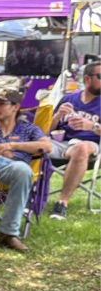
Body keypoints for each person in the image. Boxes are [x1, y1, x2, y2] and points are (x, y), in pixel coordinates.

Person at [0, 88, 52, 251]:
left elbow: (47, 146)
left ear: (16, 107)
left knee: (23, 171)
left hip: (13, 167)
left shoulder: (28, 129)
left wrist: (13, 146)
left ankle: (8, 234)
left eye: (2, 104)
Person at [48, 60, 101, 219]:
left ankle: (62, 203)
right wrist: (57, 117)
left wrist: (92, 126)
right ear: (87, 79)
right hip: (61, 143)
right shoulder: (68, 98)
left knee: (82, 148)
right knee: (34, 144)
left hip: (90, 145)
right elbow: (46, 130)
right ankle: (28, 197)